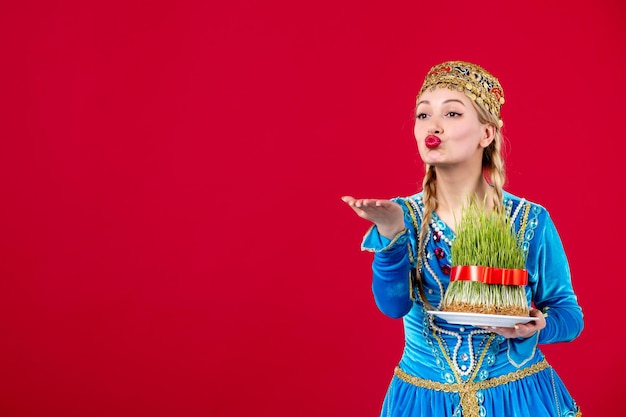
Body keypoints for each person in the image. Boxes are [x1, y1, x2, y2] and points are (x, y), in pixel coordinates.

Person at [342, 61, 583, 417]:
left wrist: (536, 326)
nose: (433, 125)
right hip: (424, 400)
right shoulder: (402, 215)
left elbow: (569, 315)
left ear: (486, 135)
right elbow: (393, 307)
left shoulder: (530, 220)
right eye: (423, 116)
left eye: (452, 113)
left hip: (518, 399)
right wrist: (391, 234)